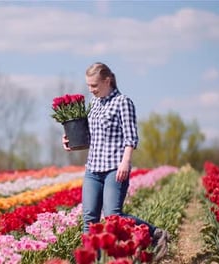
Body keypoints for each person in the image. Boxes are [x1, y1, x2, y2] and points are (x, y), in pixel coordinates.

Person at [62, 62, 170, 262]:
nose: (90, 90)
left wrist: (125, 162)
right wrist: (70, 141)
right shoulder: (94, 104)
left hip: (115, 168)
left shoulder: (123, 102)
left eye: (94, 85)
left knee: (114, 217)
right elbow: (90, 137)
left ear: (107, 81)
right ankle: (92, 260)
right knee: (89, 220)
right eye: (88, 86)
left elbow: (131, 137)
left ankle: (155, 233)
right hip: (93, 169)